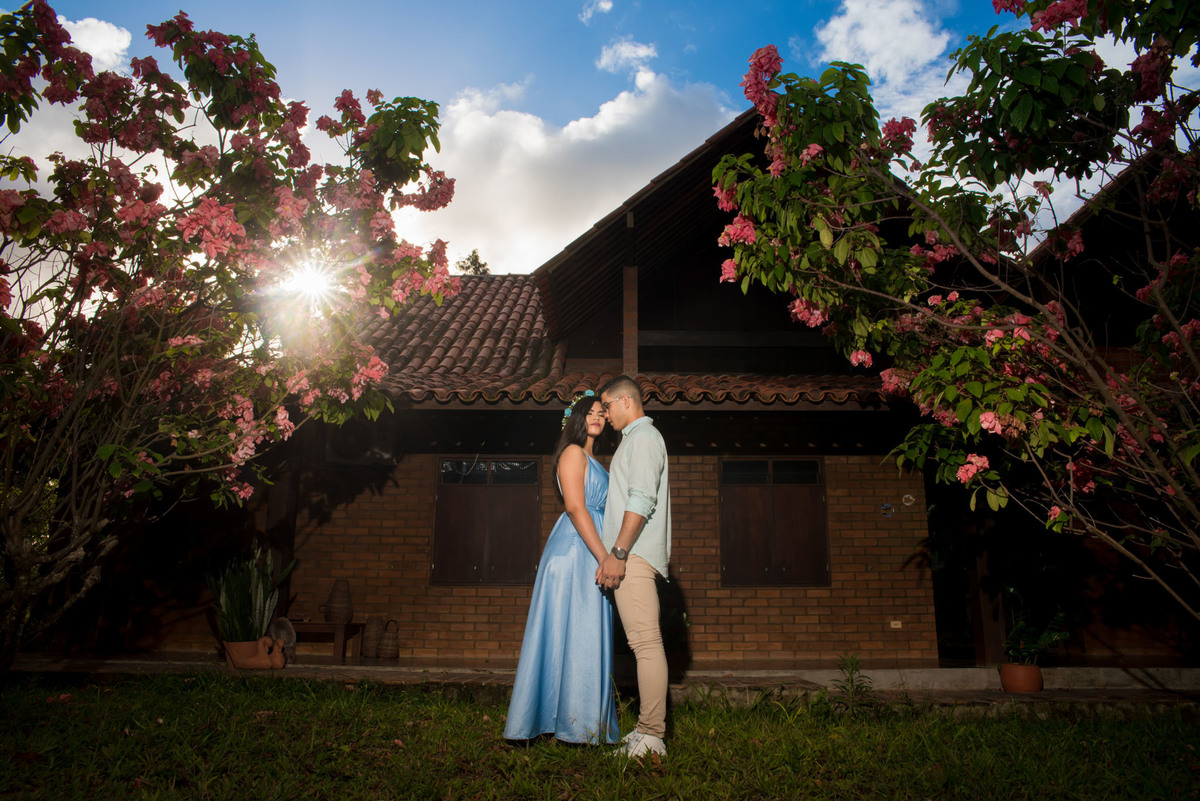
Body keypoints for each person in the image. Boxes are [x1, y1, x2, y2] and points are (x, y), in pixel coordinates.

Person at [504, 391, 619, 744]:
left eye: (601, 412)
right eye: (590, 412)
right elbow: (574, 506)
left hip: (591, 544)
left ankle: (579, 723)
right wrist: (604, 556)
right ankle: (560, 724)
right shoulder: (571, 453)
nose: (597, 417)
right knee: (570, 629)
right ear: (577, 419)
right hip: (575, 549)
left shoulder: (595, 458)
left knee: (584, 632)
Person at [595, 375, 671, 760]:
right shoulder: (634, 440)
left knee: (645, 644)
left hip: (635, 555)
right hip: (634, 554)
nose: (604, 414)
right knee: (643, 643)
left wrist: (619, 553)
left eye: (607, 406)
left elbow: (642, 499)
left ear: (626, 401)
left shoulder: (643, 438)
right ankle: (646, 731)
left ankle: (652, 735)